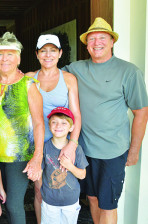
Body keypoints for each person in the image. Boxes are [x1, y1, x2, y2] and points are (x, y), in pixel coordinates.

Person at [62, 17, 148, 223]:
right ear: (86, 45)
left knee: (107, 204)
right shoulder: (76, 69)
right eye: (91, 39)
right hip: (84, 149)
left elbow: (142, 113)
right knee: (91, 197)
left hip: (113, 152)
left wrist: (134, 151)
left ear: (112, 42)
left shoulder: (129, 72)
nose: (96, 43)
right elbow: (48, 74)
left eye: (102, 38)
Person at [0, 32, 45, 224]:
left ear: (18, 57)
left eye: (10, 54)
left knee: (13, 204)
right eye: (0, 54)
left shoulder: (28, 85)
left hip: (18, 156)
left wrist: (37, 156)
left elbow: (38, 123)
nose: (5, 59)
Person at [26, 34, 81, 223]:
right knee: (40, 190)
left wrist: (72, 144)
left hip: (61, 144)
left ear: (60, 54)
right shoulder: (28, 78)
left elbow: (76, 114)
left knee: (60, 188)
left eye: (52, 50)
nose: (48, 55)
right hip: (38, 144)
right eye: (43, 51)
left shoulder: (68, 79)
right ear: (37, 54)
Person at [41, 107, 88, 224]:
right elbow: (39, 172)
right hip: (49, 200)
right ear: (49, 125)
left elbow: (82, 175)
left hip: (70, 201)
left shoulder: (77, 149)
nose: (58, 126)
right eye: (54, 122)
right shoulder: (45, 147)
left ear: (71, 127)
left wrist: (69, 166)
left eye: (63, 123)